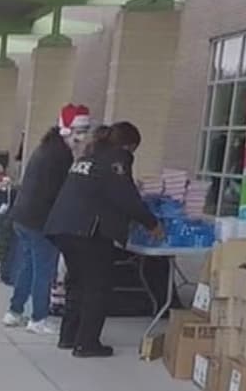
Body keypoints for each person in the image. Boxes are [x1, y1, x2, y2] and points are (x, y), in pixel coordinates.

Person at [45, 120, 161, 357]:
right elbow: (126, 196)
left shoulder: (88, 157)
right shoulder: (116, 159)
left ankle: (68, 336)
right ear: (129, 145)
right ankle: (87, 343)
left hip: (62, 226)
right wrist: (152, 223)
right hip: (89, 231)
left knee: (77, 283)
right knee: (97, 287)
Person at [3, 117, 77, 335]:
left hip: (23, 217)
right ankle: (38, 318)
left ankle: (15, 311)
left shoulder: (44, 148)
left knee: (28, 266)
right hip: (40, 221)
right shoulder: (61, 155)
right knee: (44, 270)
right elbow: (64, 190)